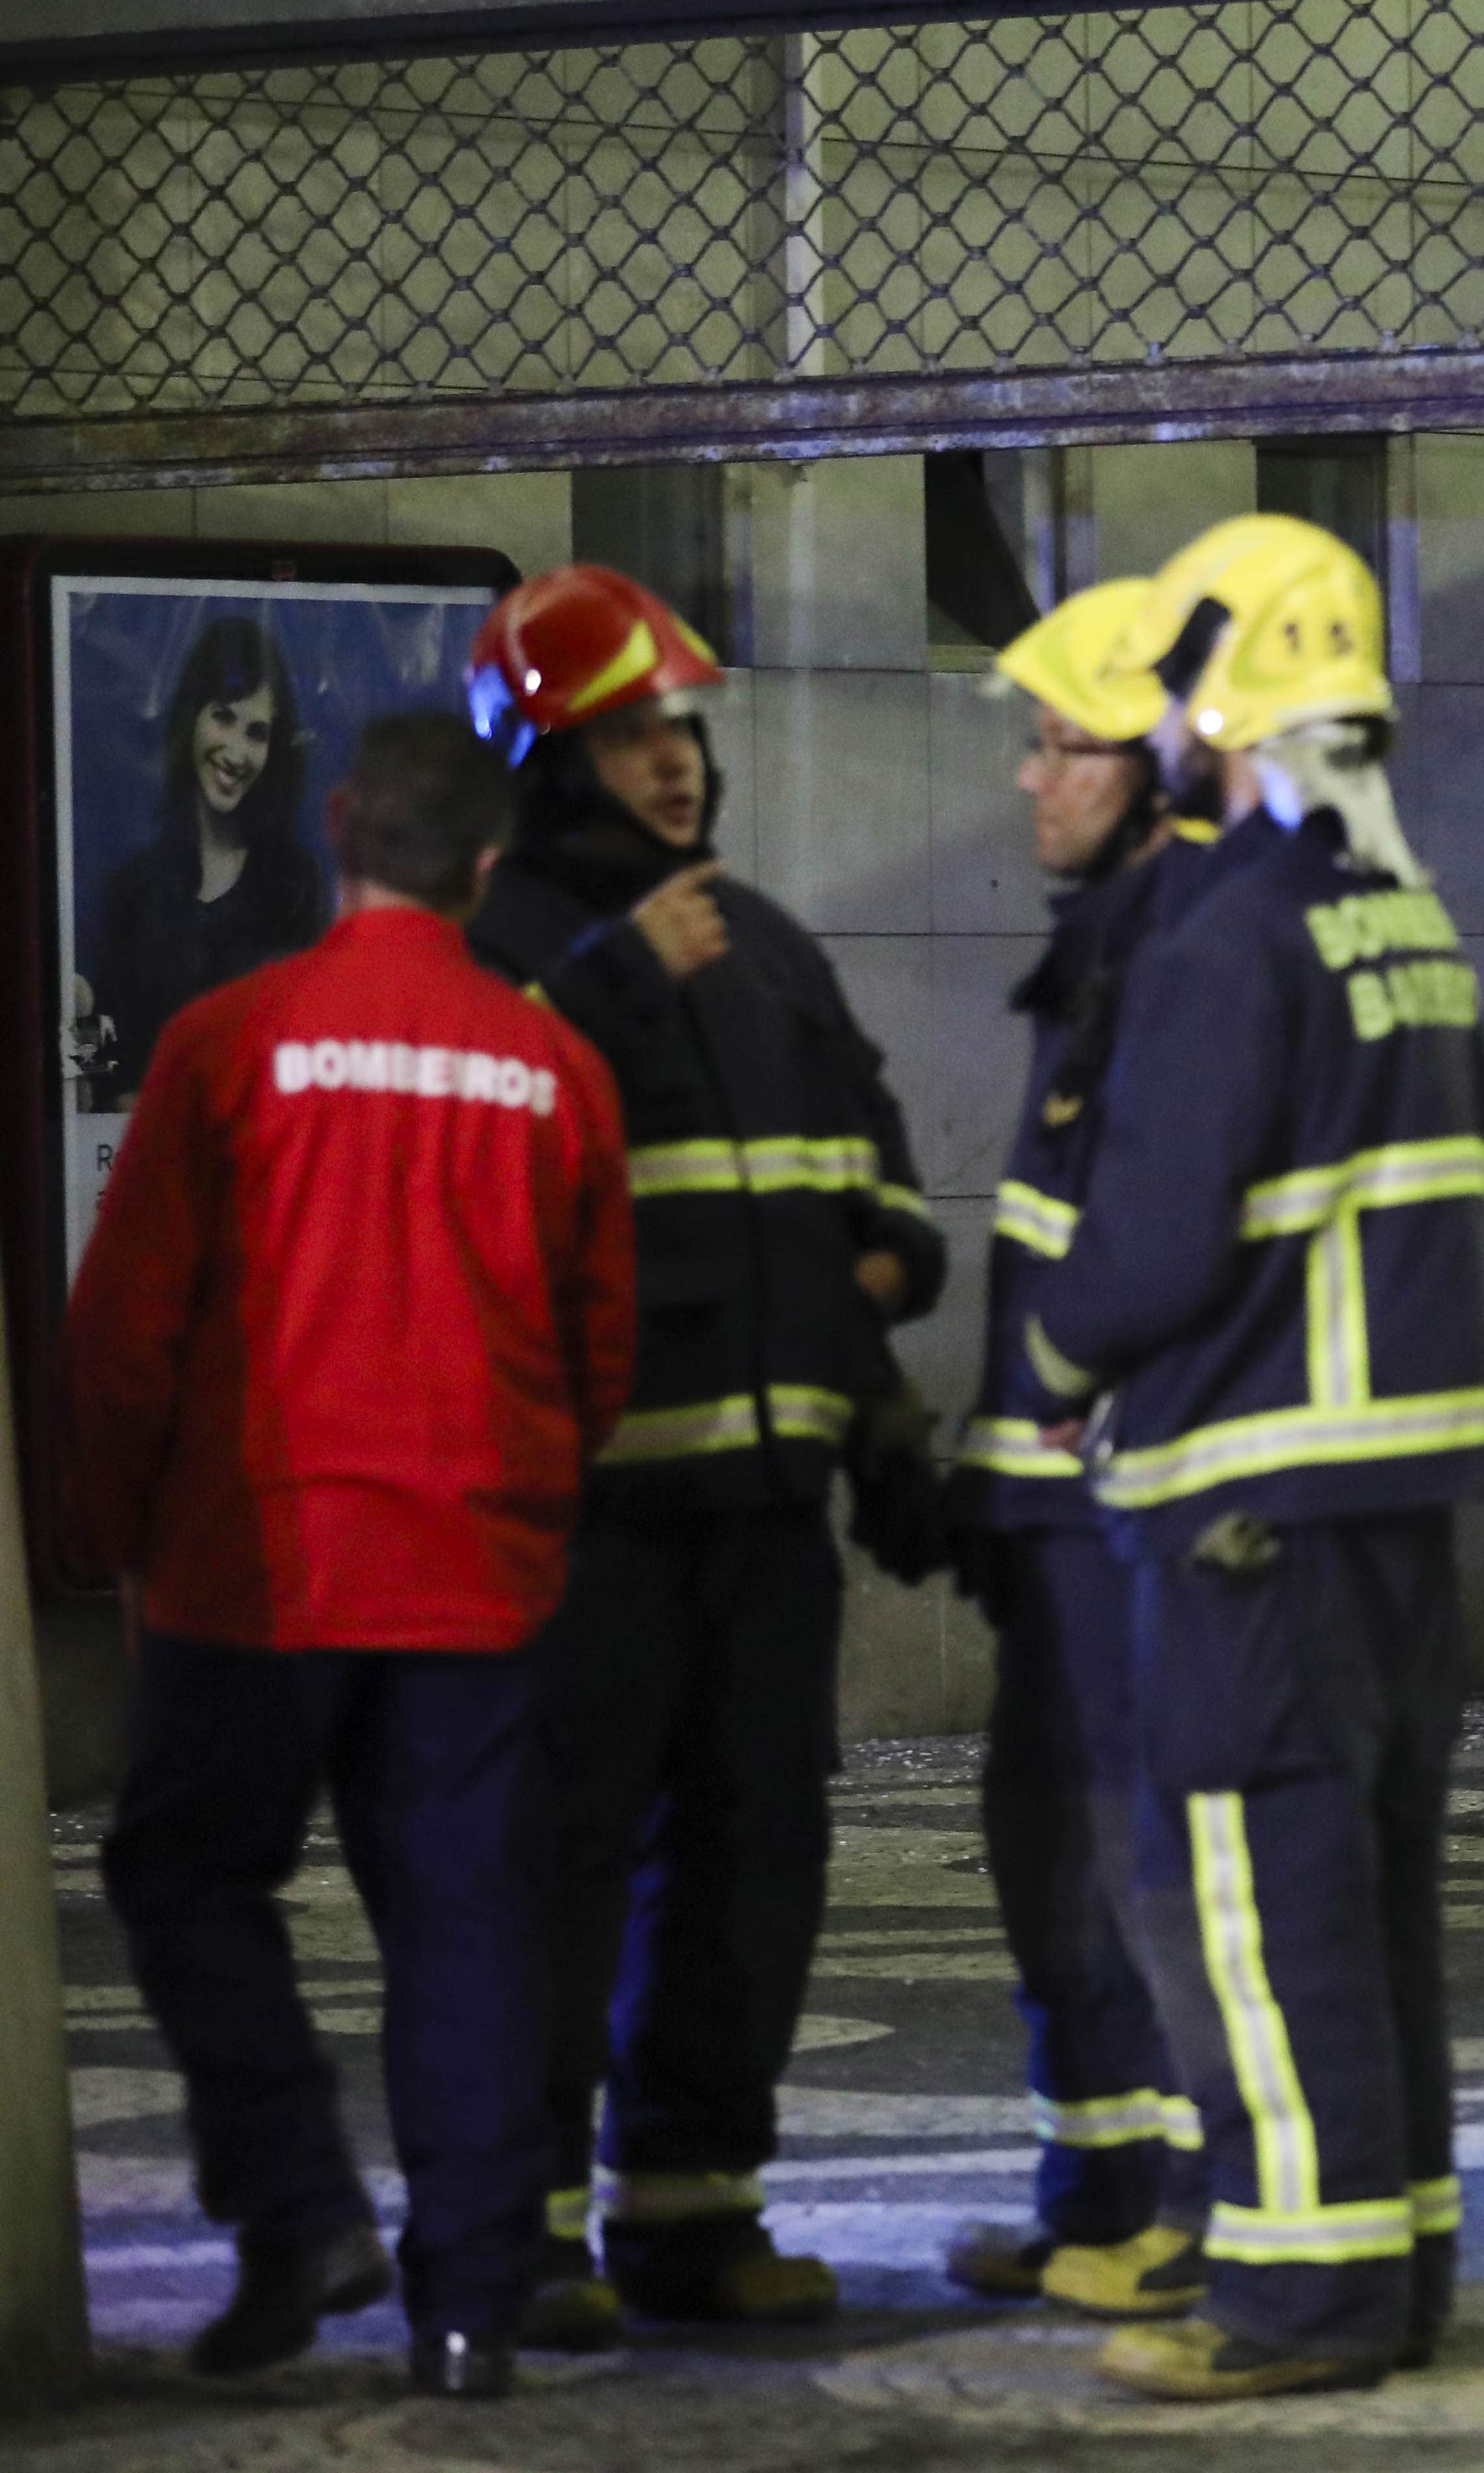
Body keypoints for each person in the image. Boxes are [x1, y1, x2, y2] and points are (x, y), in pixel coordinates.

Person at [70, 711, 635, 2401]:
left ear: (338, 829)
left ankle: (298, 2203)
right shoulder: (554, 1068)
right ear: (486, 866)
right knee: (466, 1926)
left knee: (185, 1876)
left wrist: (119, 1532)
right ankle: (468, 2310)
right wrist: (532, 1508)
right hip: (472, 1578)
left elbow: (125, 1327)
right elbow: (597, 1346)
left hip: (260, 1569)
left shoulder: (231, 1035)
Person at [1017, 515, 1484, 2401]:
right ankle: (1400, 2263)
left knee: (1259, 1901)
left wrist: (1058, 1356)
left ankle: (1303, 2297)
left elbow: (1149, 1231)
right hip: (1397, 1503)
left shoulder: (1234, 929)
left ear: (1214, 688)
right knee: (1372, 1898)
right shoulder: (1411, 908)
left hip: (1251, 1501)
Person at [457, 563, 949, 2339]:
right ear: (545, 757)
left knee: (756, 1857)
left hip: (764, 1513)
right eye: (630, 733)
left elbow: (877, 1180)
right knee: (553, 1866)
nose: (673, 762)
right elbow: (465, 1181)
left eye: (680, 728)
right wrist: (598, 981)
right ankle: (509, 2229)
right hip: (576, 1526)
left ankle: (691, 2207)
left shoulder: (767, 940)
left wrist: (876, 1314)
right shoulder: (493, 952)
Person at [933, 576, 1222, 2320]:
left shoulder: (1180, 939)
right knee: (1056, 1853)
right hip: (1056, 1503)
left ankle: (1191, 2197)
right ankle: (1092, 2188)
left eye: (1067, 748)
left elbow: (1154, 1244)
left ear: (1155, 761)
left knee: (1147, 1859)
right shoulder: (1105, 934)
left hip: (1132, 1499)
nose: (1032, 782)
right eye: (1032, 748)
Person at [84, 612, 331, 1105]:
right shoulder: (132, 889)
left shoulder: (295, 891)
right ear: (192, 716)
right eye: (223, 716)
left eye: (257, 732)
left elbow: (315, 1065)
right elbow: (96, 1064)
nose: (237, 751)